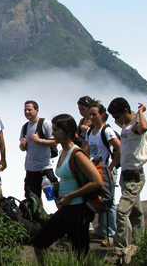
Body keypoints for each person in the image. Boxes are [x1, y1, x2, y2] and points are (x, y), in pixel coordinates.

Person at [31, 114, 101, 265]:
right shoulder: (63, 152)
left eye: (56, 130)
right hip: (67, 208)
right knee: (38, 242)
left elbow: (97, 182)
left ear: (67, 131)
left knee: (81, 253)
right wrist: (55, 187)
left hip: (78, 208)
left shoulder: (77, 154)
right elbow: (70, 178)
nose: (53, 133)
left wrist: (71, 195)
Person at [107, 97, 147, 264]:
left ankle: (120, 250)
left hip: (135, 176)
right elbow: (132, 117)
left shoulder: (135, 126)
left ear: (126, 112)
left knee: (122, 212)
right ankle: (140, 243)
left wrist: (141, 111)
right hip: (127, 175)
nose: (115, 120)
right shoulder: (127, 124)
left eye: (117, 116)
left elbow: (145, 127)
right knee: (137, 212)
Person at [86, 103, 121, 245]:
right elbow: (89, 150)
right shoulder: (90, 132)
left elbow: (119, 148)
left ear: (102, 115)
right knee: (100, 200)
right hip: (96, 170)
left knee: (109, 202)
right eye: (90, 114)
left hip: (106, 171)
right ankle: (101, 231)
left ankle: (111, 234)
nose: (91, 117)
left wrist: (110, 167)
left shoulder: (107, 131)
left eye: (94, 114)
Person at [18, 100, 58, 200]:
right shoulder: (25, 127)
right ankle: (37, 215)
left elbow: (55, 141)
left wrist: (40, 140)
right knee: (32, 199)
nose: (27, 112)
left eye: (29, 110)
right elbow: (22, 148)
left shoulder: (45, 124)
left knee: (56, 195)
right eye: (25, 110)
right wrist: (23, 145)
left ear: (37, 110)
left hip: (45, 167)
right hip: (31, 169)